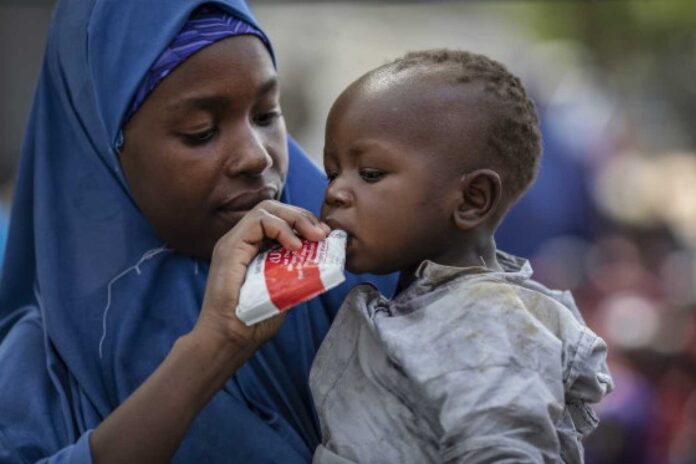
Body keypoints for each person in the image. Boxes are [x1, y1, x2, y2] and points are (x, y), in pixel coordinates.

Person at [0, 1, 396, 463]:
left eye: (267, 114)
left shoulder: (361, 277)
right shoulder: (43, 371)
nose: (256, 156)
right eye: (201, 131)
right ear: (106, 154)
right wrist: (213, 349)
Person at [309, 49, 614, 463]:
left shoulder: (489, 320)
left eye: (370, 174)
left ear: (472, 199)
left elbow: (505, 453)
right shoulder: (426, 301)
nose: (334, 192)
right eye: (332, 172)